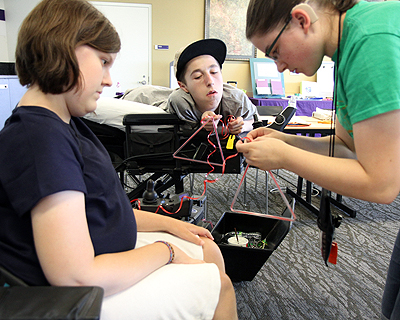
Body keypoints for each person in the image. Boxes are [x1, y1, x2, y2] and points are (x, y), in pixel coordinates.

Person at [0, 1, 237, 319]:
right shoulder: (41, 139)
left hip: (100, 257)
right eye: (103, 62)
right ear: (64, 52)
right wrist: (164, 251)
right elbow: (76, 277)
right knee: (219, 285)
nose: (110, 80)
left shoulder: (65, 123)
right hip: (81, 295)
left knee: (208, 247)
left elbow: (104, 208)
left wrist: (174, 225)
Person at [236, 0, 400, 319]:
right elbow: (347, 146)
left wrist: (285, 157)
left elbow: (382, 185)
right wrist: (286, 140)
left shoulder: (370, 41)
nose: (279, 68)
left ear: (301, 20)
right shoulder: (347, 46)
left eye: (275, 52)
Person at [122, 39, 258, 135]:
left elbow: (254, 120)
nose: (210, 81)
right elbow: (190, 132)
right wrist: (203, 124)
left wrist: (241, 126)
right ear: (183, 86)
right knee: (139, 95)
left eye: (214, 72)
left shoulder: (237, 98)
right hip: (146, 95)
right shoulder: (179, 100)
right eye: (198, 76)